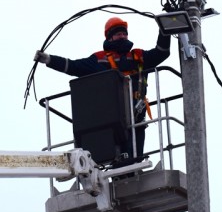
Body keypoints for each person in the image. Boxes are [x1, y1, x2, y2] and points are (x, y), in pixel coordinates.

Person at [35, 16, 171, 163]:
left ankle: (131, 168)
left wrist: (165, 28)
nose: (122, 36)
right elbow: (74, 66)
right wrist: (49, 60)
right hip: (113, 119)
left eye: (124, 33)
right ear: (110, 37)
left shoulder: (138, 56)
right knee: (120, 158)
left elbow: (162, 52)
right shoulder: (100, 59)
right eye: (118, 34)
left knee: (135, 157)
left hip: (137, 116)